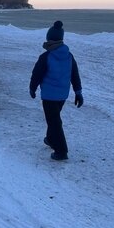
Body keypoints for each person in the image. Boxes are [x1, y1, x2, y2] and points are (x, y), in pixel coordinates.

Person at [29, 20, 83, 161]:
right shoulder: (69, 56)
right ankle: (51, 139)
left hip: (49, 96)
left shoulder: (46, 56)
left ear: (49, 39)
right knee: (53, 119)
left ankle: (61, 150)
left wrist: (32, 88)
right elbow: (74, 74)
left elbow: (37, 74)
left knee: (54, 121)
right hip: (62, 96)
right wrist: (78, 92)